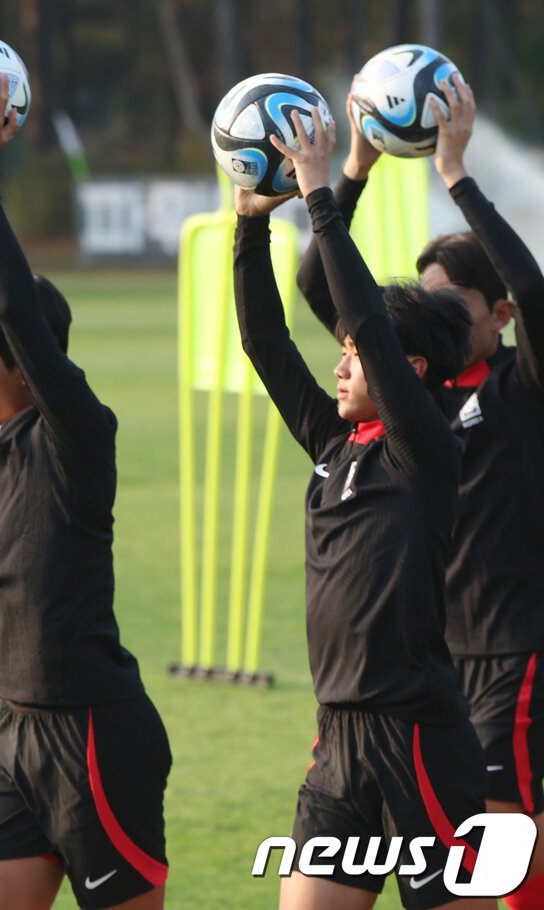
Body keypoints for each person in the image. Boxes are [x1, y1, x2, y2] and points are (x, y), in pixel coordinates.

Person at [297, 76, 544, 907]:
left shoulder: (519, 386)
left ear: (499, 314)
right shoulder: (404, 411)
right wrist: (355, 172)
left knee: (510, 855)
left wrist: (456, 176)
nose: (433, 308)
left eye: (454, 300)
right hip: (427, 659)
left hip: (510, 651)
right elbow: (329, 302)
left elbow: (536, 293)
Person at [236, 107, 490, 910]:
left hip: (420, 741)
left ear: (408, 369)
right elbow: (264, 344)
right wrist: (250, 227)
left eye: (352, 353)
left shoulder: (425, 449)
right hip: (336, 740)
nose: (341, 364)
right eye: (342, 352)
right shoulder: (331, 445)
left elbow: (375, 328)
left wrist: (319, 194)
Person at [0, 68, 171, 910]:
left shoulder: (75, 431)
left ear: (30, 368)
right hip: (12, 729)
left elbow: (14, 313)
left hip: (94, 731)